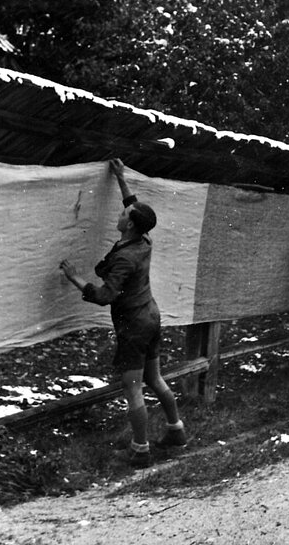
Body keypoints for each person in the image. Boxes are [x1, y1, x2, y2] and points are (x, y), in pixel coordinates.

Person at [59, 158, 186, 468]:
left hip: (134, 326)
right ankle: (176, 432)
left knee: (133, 389)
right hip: (151, 317)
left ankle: (140, 450)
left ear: (129, 223)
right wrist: (120, 177)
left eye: (123, 214)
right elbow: (134, 205)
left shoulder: (126, 258)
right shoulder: (144, 239)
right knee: (155, 378)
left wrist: (75, 277)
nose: (120, 212)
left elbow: (105, 296)